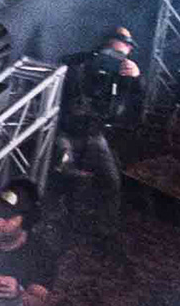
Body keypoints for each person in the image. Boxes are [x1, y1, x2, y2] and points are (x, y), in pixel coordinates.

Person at [61, 26, 143, 222]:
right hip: (66, 131)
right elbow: (63, 62)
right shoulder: (83, 63)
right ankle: (66, 218)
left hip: (95, 134)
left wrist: (137, 77)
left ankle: (103, 227)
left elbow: (137, 100)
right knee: (67, 175)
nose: (118, 57)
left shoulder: (124, 73)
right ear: (105, 45)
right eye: (114, 51)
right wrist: (94, 58)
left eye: (124, 52)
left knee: (111, 181)